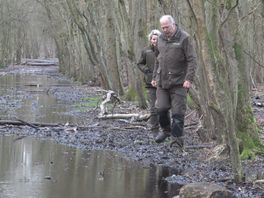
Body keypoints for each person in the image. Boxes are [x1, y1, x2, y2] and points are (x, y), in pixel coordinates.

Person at [151, 15, 197, 147]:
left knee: (178, 113)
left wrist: (189, 79)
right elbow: (157, 59)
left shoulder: (184, 38)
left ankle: (177, 140)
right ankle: (166, 130)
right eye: (163, 27)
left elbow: (192, 60)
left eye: (167, 27)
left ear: (174, 24)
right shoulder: (160, 39)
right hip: (162, 81)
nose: (165, 30)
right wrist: (154, 77)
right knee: (160, 108)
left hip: (179, 82)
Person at [137, 29, 161, 137]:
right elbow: (140, 63)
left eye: (157, 39)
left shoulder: (164, 50)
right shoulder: (146, 51)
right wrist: (146, 70)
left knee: (164, 106)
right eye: (153, 39)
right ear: (150, 39)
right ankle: (154, 130)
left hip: (163, 83)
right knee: (153, 107)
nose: (155, 41)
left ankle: (166, 128)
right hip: (150, 82)